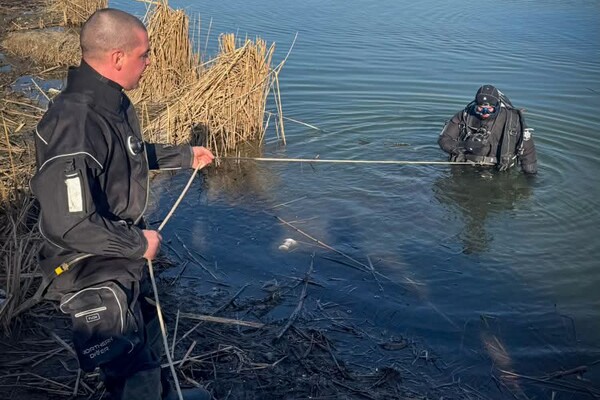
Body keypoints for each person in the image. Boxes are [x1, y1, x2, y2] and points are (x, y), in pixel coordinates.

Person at [30, 8, 214, 400]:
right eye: (144, 55)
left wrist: (183, 156)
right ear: (117, 58)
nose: (148, 64)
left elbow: (123, 155)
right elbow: (71, 224)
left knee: (143, 334)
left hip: (115, 257)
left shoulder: (108, 103)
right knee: (130, 367)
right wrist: (136, 244)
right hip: (90, 266)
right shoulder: (74, 122)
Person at [438, 85, 538, 174]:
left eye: (490, 109)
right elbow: (444, 140)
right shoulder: (464, 116)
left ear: (497, 106)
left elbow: (527, 150)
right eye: (480, 108)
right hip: (465, 168)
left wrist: (530, 174)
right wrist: (463, 146)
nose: (484, 112)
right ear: (475, 105)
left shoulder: (512, 120)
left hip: (499, 171)